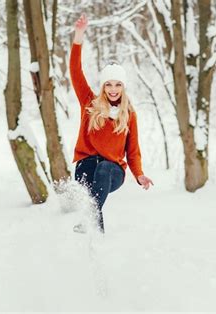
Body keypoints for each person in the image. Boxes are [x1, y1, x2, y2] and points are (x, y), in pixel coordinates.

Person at [69, 13, 154, 233]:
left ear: (123, 87)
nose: (113, 89)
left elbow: (133, 151)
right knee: (92, 174)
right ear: (103, 86)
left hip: (113, 172)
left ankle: (89, 220)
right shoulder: (90, 104)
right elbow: (76, 72)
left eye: (118, 85)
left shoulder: (129, 115)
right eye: (109, 84)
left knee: (105, 167)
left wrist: (139, 174)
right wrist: (79, 36)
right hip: (86, 167)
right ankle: (95, 234)